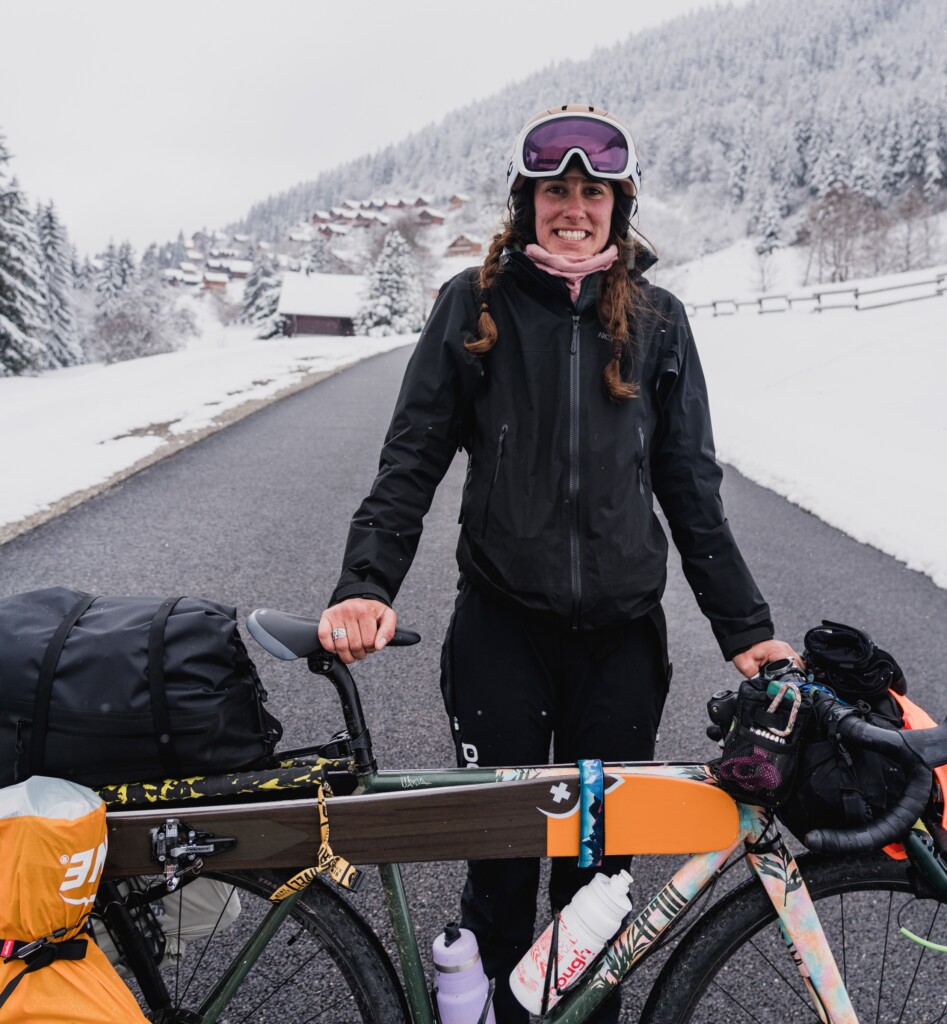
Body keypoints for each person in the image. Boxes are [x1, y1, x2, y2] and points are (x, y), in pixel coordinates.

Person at [319, 104, 800, 1023]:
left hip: (622, 642)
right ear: (526, 202)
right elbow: (412, 457)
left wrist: (746, 629)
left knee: (598, 882)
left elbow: (689, 484)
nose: (573, 207)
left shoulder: (659, 320)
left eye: (593, 192)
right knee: (502, 866)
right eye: (555, 190)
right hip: (501, 629)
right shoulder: (475, 305)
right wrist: (364, 585)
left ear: (619, 205)